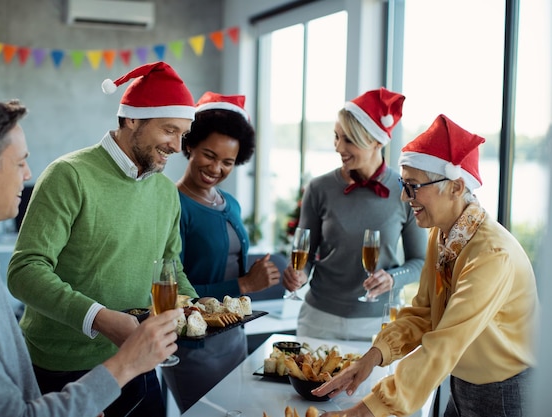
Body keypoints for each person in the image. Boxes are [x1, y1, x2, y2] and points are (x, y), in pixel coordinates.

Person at [0, 92, 182, 417]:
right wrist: (122, 366)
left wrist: (77, 404)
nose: (28, 173)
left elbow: (10, 383)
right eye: (20, 162)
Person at [7, 62, 199, 417]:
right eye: (169, 130)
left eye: (183, 134)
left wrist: (201, 308)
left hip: (139, 360)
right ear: (131, 119)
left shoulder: (165, 193)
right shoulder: (69, 175)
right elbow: (24, 271)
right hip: (61, 368)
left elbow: (172, 270)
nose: (176, 145)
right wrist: (100, 318)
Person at [313, 114, 539, 417]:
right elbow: (423, 314)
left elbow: (443, 343)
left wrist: (363, 411)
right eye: (403, 184)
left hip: (503, 393)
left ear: (457, 187)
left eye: (415, 186)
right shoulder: (442, 234)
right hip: (460, 380)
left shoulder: (491, 256)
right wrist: (371, 358)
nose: (406, 197)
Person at [162, 92, 281, 412]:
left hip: (233, 338)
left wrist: (261, 276)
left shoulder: (231, 204)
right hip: (195, 345)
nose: (216, 168)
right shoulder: (173, 205)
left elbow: (228, 265)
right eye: (209, 155)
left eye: (228, 162)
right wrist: (243, 286)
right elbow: (170, 291)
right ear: (189, 145)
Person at [282, 87, 427, 341]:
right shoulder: (319, 188)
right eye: (336, 137)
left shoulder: (403, 191)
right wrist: (298, 275)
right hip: (319, 319)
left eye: (348, 139)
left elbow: (420, 261)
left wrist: (393, 278)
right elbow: (304, 255)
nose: (338, 147)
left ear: (377, 142)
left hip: (378, 324)